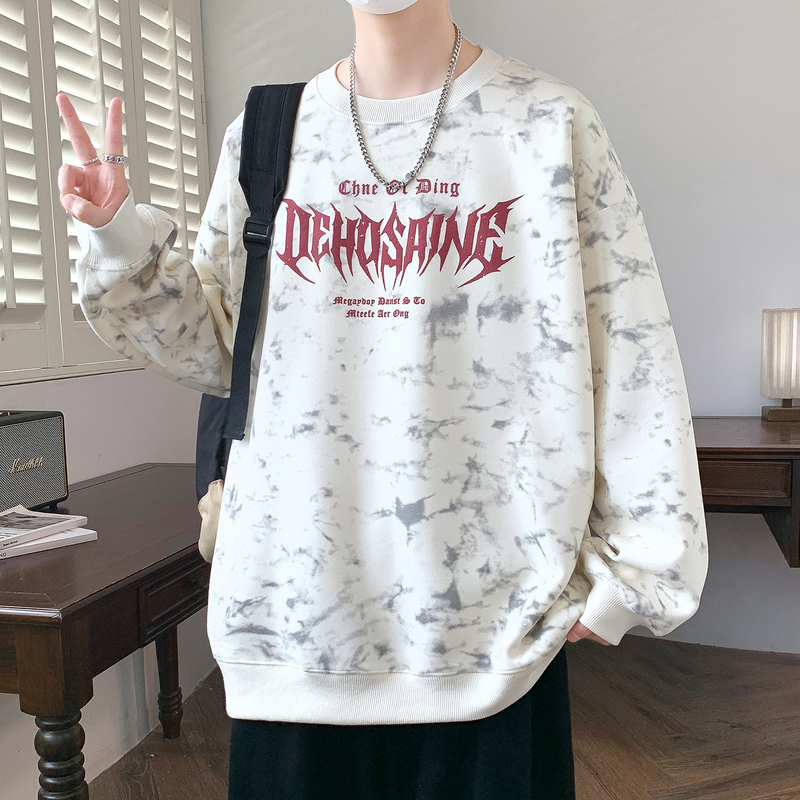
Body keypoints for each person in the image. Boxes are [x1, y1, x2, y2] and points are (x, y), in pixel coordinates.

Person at [55, 0, 710, 797]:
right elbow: (219, 354)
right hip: (293, 633)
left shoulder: (548, 125)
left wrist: (637, 571)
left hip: (494, 643)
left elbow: (630, 349)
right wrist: (119, 234)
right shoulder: (266, 133)